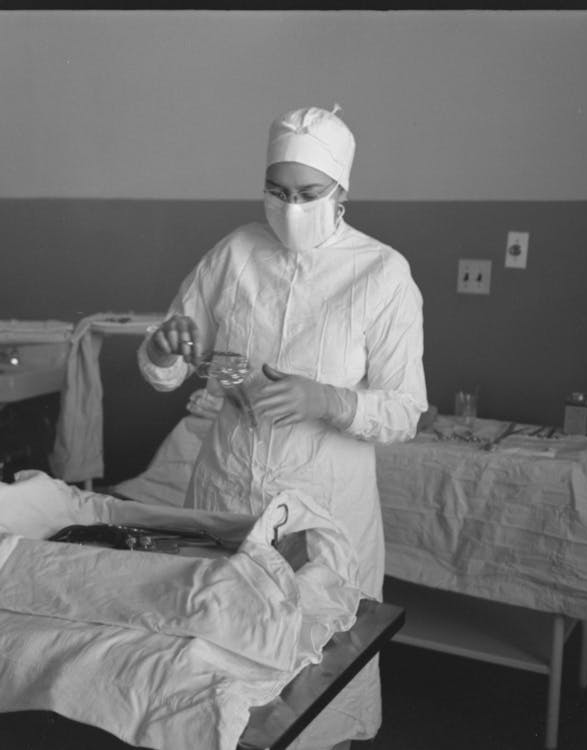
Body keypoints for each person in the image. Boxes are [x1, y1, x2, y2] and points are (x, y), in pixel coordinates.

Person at [137, 104, 428, 749]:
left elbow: (406, 409)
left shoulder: (381, 275)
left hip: (325, 518)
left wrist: (327, 401)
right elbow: (169, 363)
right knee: (219, 682)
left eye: (308, 194)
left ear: (342, 191)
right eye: (277, 191)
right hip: (227, 499)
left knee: (317, 691)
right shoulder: (234, 255)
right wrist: (165, 350)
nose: (290, 207)